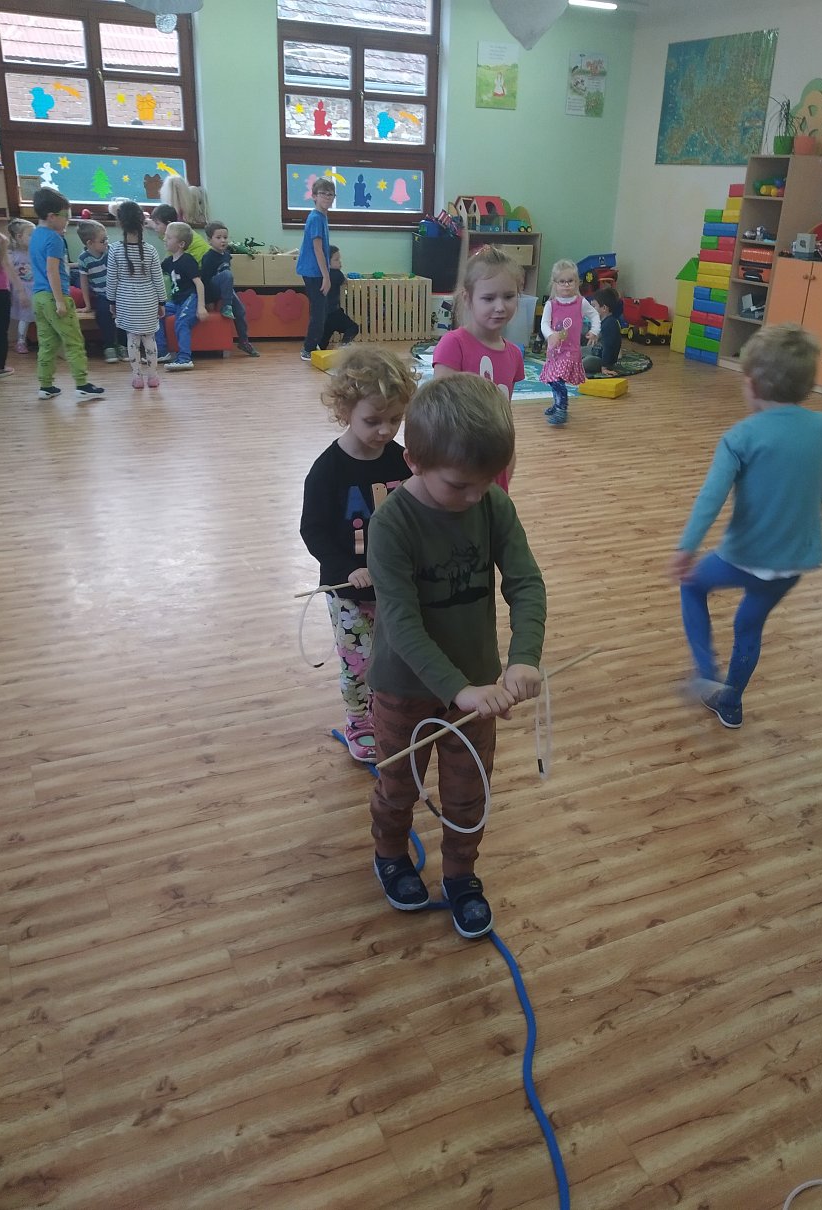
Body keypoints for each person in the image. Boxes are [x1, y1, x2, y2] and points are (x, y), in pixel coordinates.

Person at [366, 374, 546, 939]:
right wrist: (457, 689)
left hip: (475, 687)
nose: (476, 496)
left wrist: (523, 657)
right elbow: (401, 624)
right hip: (404, 688)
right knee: (399, 786)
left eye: (488, 481)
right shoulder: (391, 524)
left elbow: (525, 582)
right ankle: (390, 855)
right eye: (461, 485)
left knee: (470, 793)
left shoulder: (492, 504)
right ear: (414, 461)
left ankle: (461, 875)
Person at [669, 323, 822, 729]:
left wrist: (686, 548)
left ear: (750, 384)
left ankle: (705, 672)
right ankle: (731, 704)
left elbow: (710, 498)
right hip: (793, 563)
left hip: (744, 556)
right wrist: (813, 499)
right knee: (748, 626)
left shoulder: (740, 436)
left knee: (693, 585)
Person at [300, 348, 418, 760]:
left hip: (396, 587)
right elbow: (312, 531)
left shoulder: (402, 461)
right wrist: (347, 569)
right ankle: (359, 721)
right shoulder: (327, 471)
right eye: (373, 421)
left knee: (397, 656)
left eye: (395, 420)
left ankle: (389, 711)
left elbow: (415, 513)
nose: (386, 430)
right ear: (345, 410)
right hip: (349, 594)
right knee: (358, 663)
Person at [432, 241, 525, 492]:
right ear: (468, 298)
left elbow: (505, 415)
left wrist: (509, 457)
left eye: (509, 296)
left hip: (496, 460)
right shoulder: (453, 345)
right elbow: (439, 413)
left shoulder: (514, 354)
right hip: (459, 463)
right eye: (488, 298)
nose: (500, 307)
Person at [28, 187, 105, 401]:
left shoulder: (36, 234)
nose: (67, 221)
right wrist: (60, 301)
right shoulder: (54, 239)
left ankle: (45, 386)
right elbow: (52, 271)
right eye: (66, 216)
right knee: (74, 341)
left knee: (47, 343)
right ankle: (82, 385)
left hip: (39, 297)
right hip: (54, 296)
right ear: (52, 216)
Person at [105, 201, 166, 389]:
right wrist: (162, 302)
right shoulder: (151, 250)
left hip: (125, 300)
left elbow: (111, 280)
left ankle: (137, 377)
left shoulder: (114, 250)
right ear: (142, 223)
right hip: (148, 300)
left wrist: (111, 301)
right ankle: (153, 376)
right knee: (149, 339)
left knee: (132, 339)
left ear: (120, 223)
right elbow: (158, 280)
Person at [539, 258, 600, 426]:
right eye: (562, 281)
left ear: (577, 282)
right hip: (554, 351)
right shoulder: (551, 305)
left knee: (557, 378)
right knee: (552, 379)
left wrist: (594, 331)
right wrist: (550, 335)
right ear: (555, 283)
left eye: (570, 281)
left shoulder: (580, 303)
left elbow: (594, 315)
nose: (566, 285)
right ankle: (557, 403)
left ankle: (562, 409)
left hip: (570, 351)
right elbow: (544, 323)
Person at [201, 221, 259, 357]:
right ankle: (226, 306)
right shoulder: (208, 257)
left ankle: (244, 341)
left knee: (241, 311)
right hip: (213, 288)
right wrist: (208, 301)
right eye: (218, 237)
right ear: (209, 240)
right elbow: (205, 281)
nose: (223, 240)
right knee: (227, 274)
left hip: (226, 289)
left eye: (225, 237)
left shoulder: (226, 254)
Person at [155, 221, 207, 372]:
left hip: (190, 299)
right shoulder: (169, 261)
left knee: (182, 322)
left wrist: (201, 307)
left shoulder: (187, 260)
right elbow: (154, 269)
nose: (165, 239)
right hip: (176, 302)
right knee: (155, 313)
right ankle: (162, 352)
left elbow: (199, 284)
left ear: (181, 244)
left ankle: (184, 359)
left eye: (169, 237)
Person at [77, 220, 126, 364]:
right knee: (104, 313)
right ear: (90, 243)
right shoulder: (84, 259)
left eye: (107, 239)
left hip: (119, 293)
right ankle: (109, 346)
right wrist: (87, 305)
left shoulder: (111, 251)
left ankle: (123, 345)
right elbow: (84, 282)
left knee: (124, 313)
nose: (106, 242)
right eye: (102, 240)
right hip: (102, 295)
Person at [298, 177, 336, 361]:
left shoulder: (322, 216)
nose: (327, 197)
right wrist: (326, 276)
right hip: (314, 272)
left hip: (315, 271)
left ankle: (314, 344)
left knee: (321, 309)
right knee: (319, 312)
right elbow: (317, 248)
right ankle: (308, 348)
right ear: (314, 196)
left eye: (331, 194)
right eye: (323, 194)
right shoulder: (315, 218)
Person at [0, 230, 29, 378]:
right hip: (0, 294)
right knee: (0, 331)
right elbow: (9, 270)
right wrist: (21, 291)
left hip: (0, 294)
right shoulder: (0, 242)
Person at [319, 245, 359, 349]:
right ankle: (344, 345)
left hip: (323, 314)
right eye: (336, 260)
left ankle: (317, 350)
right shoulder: (337, 274)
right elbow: (344, 281)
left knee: (323, 340)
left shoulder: (320, 275)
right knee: (353, 327)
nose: (340, 262)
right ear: (327, 262)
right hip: (334, 313)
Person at [7, 218, 35, 355]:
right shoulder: (12, 254)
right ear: (19, 237)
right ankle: (20, 341)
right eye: (31, 235)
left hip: (35, 288)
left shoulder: (34, 252)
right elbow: (10, 274)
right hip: (22, 290)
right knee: (25, 316)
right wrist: (20, 292)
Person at [581, 286, 622, 377]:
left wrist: (605, 367)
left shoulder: (610, 323)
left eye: (594, 306)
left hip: (601, 360)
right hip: (595, 351)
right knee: (575, 352)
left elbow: (609, 347)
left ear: (604, 308)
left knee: (585, 362)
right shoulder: (601, 322)